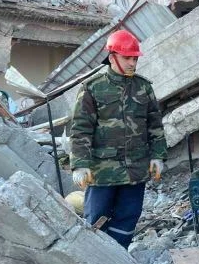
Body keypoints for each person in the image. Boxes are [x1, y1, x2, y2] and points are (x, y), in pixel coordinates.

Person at [70, 29, 166, 249]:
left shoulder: (143, 87)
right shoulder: (92, 88)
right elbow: (80, 129)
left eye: (135, 58)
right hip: (103, 170)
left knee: (128, 217)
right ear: (112, 57)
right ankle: (94, 261)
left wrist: (158, 156)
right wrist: (80, 164)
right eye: (127, 58)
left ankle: (119, 257)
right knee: (96, 218)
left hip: (135, 169)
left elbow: (155, 125)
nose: (132, 63)